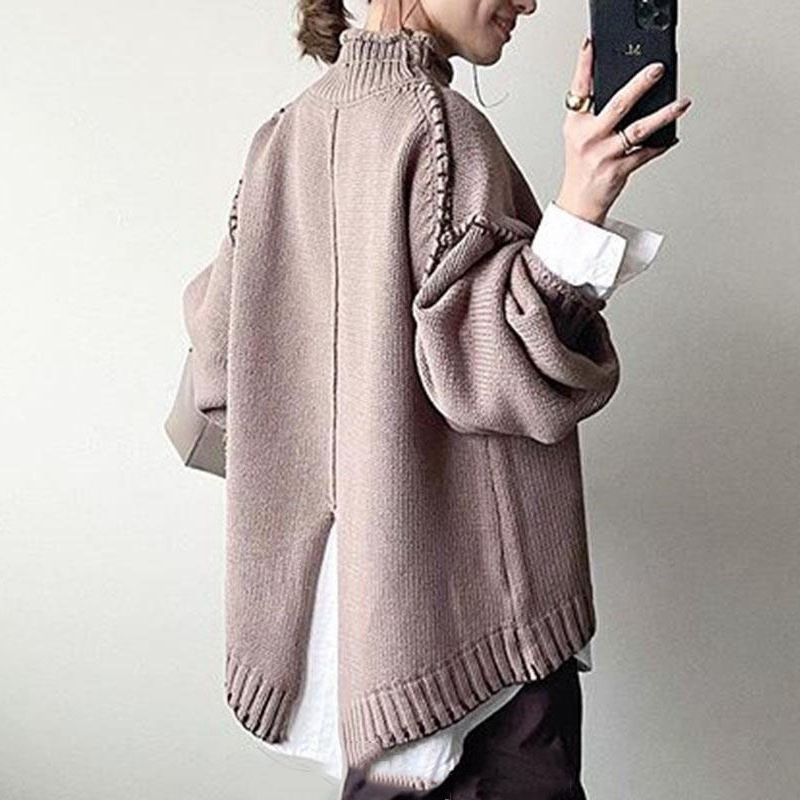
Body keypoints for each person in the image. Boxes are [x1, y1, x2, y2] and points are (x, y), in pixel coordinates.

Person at [177, 0, 693, 798]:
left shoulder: (280, 138)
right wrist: (582, 208)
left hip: (350, 663)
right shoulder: (443, 130)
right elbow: (495, 378)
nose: (529, 2)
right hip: (483, 658)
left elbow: (217, 375)